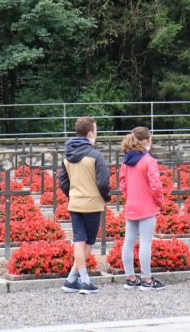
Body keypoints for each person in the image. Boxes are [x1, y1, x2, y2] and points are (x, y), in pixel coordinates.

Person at [58, 116, 110, 294]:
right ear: (90, 133)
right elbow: (103, 182)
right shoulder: (95, 155)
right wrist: (105, 197)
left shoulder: (67, 155)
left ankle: (72, 279)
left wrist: (72, 195)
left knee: (79, 240)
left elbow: (62, 182)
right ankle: (85, 281)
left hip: (75, 203)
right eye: (96, 131)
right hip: (92, 204)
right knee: (87, 242)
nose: (97, 134)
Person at [119, 127, 166, 290]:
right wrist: (159, 201)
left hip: (131, 205)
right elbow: (156, 186)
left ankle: (130, 277)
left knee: (129, 242)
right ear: (146, 141)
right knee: (145, 242)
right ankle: (146, 279)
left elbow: (123, 184)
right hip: (147, 207)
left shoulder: (126, 160)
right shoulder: (148, 160)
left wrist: (130, 197)